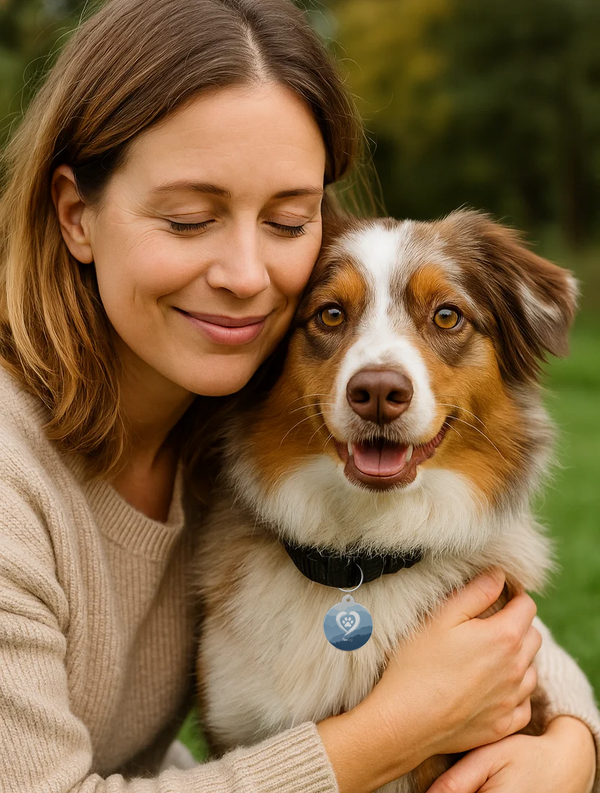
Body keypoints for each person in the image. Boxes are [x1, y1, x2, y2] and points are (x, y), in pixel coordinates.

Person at [0, 1, 598, 792]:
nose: (246, 276)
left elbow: (513, 651)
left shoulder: (233, 401)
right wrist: (395, 729)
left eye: (286, 220)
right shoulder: (17, 474)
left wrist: (574, 747)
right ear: (77, 215)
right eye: (188, 219)